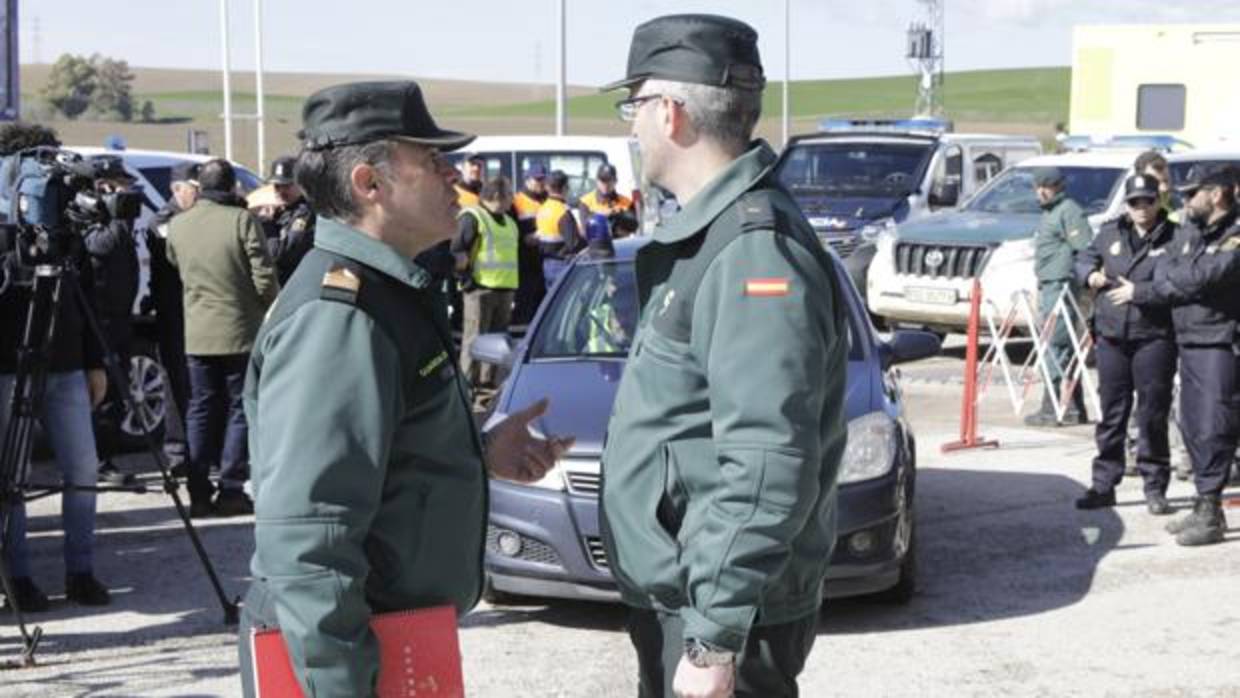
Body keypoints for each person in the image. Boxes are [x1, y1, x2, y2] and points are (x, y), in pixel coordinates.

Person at [236, 80, 573, 697]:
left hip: (391, 636)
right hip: (350, 655)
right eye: (431, 159)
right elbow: (311, 537)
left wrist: (476, 450)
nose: (454, 176)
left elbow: (377, 447)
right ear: (370, 184)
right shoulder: (340, 316)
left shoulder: (386, 293)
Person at [599, 15, 848, 698]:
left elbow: (768, 459)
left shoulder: (750, 249)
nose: (631, 128)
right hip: (696, 592)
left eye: (635, 108)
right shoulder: (714, 236)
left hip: (720, 609)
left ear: (671, 114)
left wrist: (713, 636)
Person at [0, 121, 112, 610]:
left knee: (83, 468)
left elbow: (85, 290)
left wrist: (95, 362)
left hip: (65, 362)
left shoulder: (64, 227)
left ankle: (81, 570)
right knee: (11, 476)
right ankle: (18, 577)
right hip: (7, 364)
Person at [1110, 168, 1240, 546]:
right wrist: (1178, 281)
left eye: (1192, 194)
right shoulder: (1192, 233)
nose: (1183, 202)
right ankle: (1204, 503)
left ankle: (1211, 510)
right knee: (1193, 425)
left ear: (1216, 195)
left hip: (1220, 342)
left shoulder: (1234, 237)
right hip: (1190, 341)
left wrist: (1169, 284)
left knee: (1215, 425)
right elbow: (1170, 269)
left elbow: (1202, 277)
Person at [166, 158, 277, 518]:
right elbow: (263, 274)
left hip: (197, 332)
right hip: (240, 330)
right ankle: (231, 487)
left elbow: (174, 262)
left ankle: (198, 490)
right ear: (231, 187)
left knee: (199, 407)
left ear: (199, 187)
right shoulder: (242, 220)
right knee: (239, 407)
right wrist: (273, 307)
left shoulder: (179, 225)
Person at [1073, 174, 1178, 514]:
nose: (1141, 208)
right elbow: (1083, 258)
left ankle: (1155, 486)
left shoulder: (1176, 236)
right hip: (1113, 335)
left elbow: (1179, 283)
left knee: (1152, 414)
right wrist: (1090, 274)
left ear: (1157, 202)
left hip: (1153, 336)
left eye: (1147, 201)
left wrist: (1140, 292)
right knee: (1112, 414)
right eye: (1134, 202)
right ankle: (1104, 484)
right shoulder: (1110, 232)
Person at [82, 155, 142, 487]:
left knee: (117, 394)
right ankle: (97, 462)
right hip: (99, 320)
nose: (125, 193)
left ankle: (103, 457)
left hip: (119, 319)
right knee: (100, 396)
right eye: (118, 186)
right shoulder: (89, 220)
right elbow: (100, 248)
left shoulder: (117, 220)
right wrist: (115, 216)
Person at [1024, 166, 1093, 427]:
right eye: (1038, 186)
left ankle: (1055, 406)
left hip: (1063, 286)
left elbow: (1083, 248)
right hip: (1049, 285)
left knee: (1057, 344)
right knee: (1057, 344)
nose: (1040, 191)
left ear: (1058, 186)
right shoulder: (1050, 213)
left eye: (1047, 186)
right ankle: (1071, 406)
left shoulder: (1069, 211)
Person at [145, 161, 198, 477]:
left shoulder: (192, 218)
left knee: (196, 382)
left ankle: (200, 448)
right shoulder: (164, 220)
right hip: (173, 311)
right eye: (194, 189)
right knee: (176, 380)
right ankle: (178, 450)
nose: (198, 195)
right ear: (177, 189)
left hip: (193, 309)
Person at [452, 174, 519, 387]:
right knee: (474, 341)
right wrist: (466, 281)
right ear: (498, 195)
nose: (512, 199)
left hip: (504, 289)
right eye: (509, 195)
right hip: (480, 289)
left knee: (496, 343)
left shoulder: (509, 222)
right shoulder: (473, 217)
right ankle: (467, 387)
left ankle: (487, 384)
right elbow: (456, 252)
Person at [265, 155, 317, 284]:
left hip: (296, 284)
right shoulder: (280, 211)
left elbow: (282, 254)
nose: (281, 191)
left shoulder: (305, 213)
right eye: (277, 186)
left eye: (287, 185)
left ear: (299, 183)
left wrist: (268, 225)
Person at [511, 164, 548, 324]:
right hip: (526, 264)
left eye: (543, 179)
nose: (541, 183)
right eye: (537, 179)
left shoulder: (549, 199)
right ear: (527, 180)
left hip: (546, 262)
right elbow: (511, 231)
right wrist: (525, 239)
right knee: (526, 308)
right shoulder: (517, 202)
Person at [535, 169, 580, 290]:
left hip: (547, 264)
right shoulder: (563, 212)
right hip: (562, 264)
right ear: (565, 188)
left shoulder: (542, 208)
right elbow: (573, 244)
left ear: (548, 187)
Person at [579, 162, 639, 238]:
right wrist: (601, 216)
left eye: (609, 180)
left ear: (615, 181)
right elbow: (586, 229)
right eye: (602, 181)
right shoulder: (585, 202)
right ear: (597, 181)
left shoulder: (627, 202)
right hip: (597, 247)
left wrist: (618, 214)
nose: (605, 185)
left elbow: (634, 227)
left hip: (620, 245)